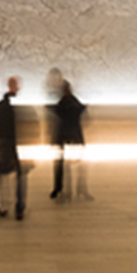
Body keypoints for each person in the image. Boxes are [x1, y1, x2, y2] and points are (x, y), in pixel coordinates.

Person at [0, 76, 27, 221]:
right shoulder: (8, 106)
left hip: (4, 145)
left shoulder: (1, 105)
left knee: (2, 176)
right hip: (9, 145)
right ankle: (17, 208)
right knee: (16, 176)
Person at [46, 69, 91, 203]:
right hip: (73, 136)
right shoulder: (74, 102)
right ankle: (77, 190)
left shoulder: (59, 102)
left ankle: (62, 190)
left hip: (62, 136)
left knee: (62, 164)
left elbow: (57, 117)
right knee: (73, 165)